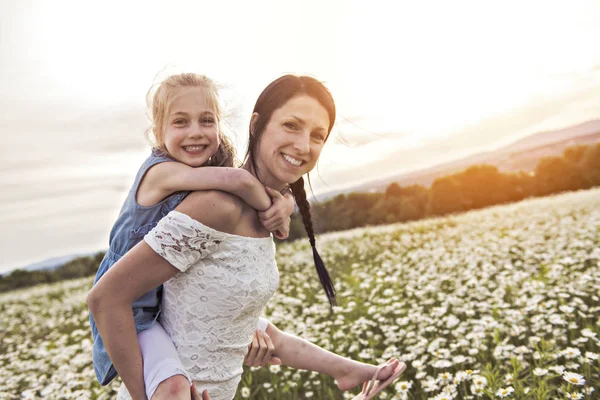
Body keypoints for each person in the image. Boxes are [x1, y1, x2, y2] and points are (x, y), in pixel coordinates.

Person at [88, 74, 406, 400]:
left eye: (317, 136)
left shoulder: (256, 213)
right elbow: (106, 298)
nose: (303, 145)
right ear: (256, 125)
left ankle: (346, 371)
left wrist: (343, 366)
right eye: (291, 126)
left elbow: (231, 320)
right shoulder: (219, 205)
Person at [88, 73, 294, 397]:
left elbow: (238, 179)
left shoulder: (198, 174)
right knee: (172, 386)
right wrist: (278, 213)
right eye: (180, 122)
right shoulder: (161, 172)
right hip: (130, 308)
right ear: (159, 132)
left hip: (154, 304)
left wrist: (288, 201)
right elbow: (239, 182)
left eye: (207, 120)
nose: (195, 132)